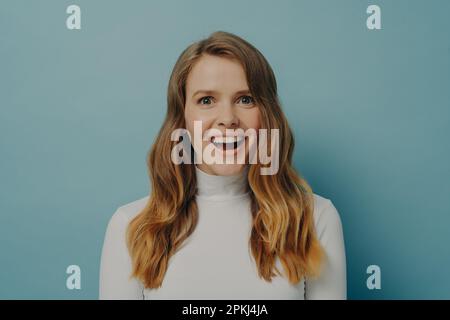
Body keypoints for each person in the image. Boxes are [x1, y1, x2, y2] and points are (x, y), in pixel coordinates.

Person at [99, 31, 346, 299]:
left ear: (267, 116)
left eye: (245, 99)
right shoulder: (130, 226)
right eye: (206, 100)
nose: (228, 119)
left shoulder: (315, 218)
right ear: (182, 118)